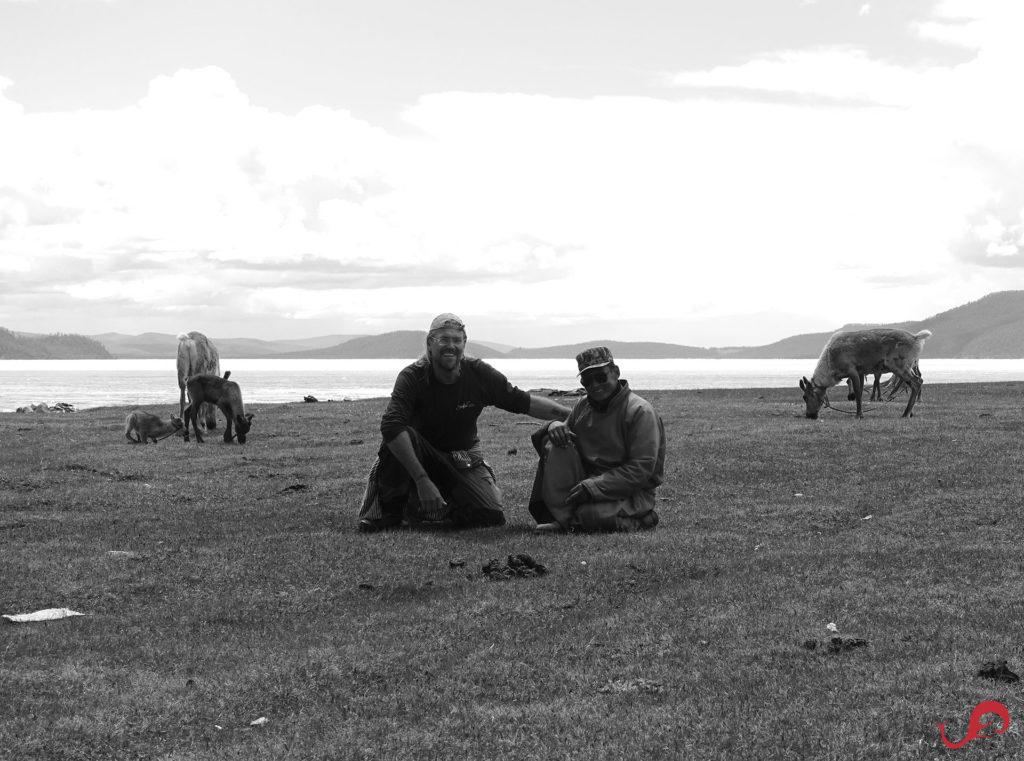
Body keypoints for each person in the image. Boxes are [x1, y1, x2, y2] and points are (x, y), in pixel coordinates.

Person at [357, 313, 573, 532]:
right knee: (400, 434)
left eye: (456, 340)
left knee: (491, 516)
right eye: (443, 339)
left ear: (464, 343)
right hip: (418, 456)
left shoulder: (479, 374)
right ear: (430, 344)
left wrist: (572, 415)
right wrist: (422, 479)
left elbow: (522, 401)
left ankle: (429, 510)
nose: (450, 346)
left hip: (460, 457)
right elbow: (391, 426)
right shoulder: (413, 376)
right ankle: (389, 514)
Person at [528, 346, 666, 533]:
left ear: (616, 372)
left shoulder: (640, 412)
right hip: (584, 485)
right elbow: (563, 437)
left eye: (601, 377)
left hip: (632, 492)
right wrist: (553, 426)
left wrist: (594, 487)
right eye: (587, 380)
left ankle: (644, 519)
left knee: (591, 515)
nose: (594, 385)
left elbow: (641, 469)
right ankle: (561, 518)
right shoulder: (582, 406)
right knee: (557, 442)